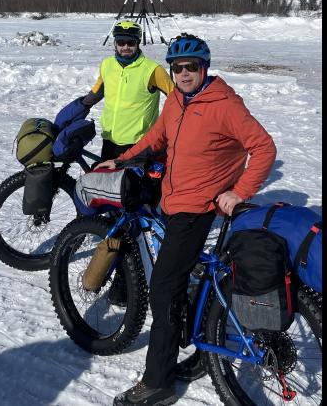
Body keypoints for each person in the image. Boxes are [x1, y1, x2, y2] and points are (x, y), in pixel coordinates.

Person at [95, 33, 277, 406]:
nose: (183, 74)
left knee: (163, 287)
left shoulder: (223, 103)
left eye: (191, 67)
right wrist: (124, 159)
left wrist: (239, 192)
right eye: (177, 68)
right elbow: (157, 138)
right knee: (190, 277)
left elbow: (264, 147)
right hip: (174, 199)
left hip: (198, 208)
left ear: (204, 67)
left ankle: (158, 382)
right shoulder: (177, 100)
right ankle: (202, 350)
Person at [82, 21, 175, 160]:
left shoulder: (152, 70)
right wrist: (80, 107)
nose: (125, 47)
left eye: (130, 43)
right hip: (109, 139)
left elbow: (176, 97)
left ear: (137, 43)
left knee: (131, 182)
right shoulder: (107, 65)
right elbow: (98, 91)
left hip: (138, 143)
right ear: (115, 43)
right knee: (107, 180)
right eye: (121, 42)